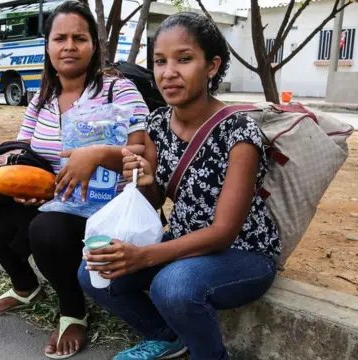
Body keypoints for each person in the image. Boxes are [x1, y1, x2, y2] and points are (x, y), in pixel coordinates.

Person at [79, 12, 282, 360]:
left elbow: (222, 232)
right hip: (185, 241)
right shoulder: (157, 124)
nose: (168, 72)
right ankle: (168, 336)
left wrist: (143, 256)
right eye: (160, 62)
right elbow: (157, 196)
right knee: (94, 270)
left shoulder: (239, 132)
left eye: (184, 59)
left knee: (172, 286)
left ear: (212, 66)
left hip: (243, 253)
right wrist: (142, 183)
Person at [0, 1, 149, 359]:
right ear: (48, 47)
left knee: (46, 229)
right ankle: (25, 287)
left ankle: (73, 310)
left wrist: (98, 155)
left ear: (93, 46)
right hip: (53, 199)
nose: (69, 46)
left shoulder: (120, 91)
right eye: (60, 38)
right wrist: (20, 179)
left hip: (105, 209)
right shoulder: (42, 99)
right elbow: (24, 150)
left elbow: (141, 159)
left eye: (79, 38)